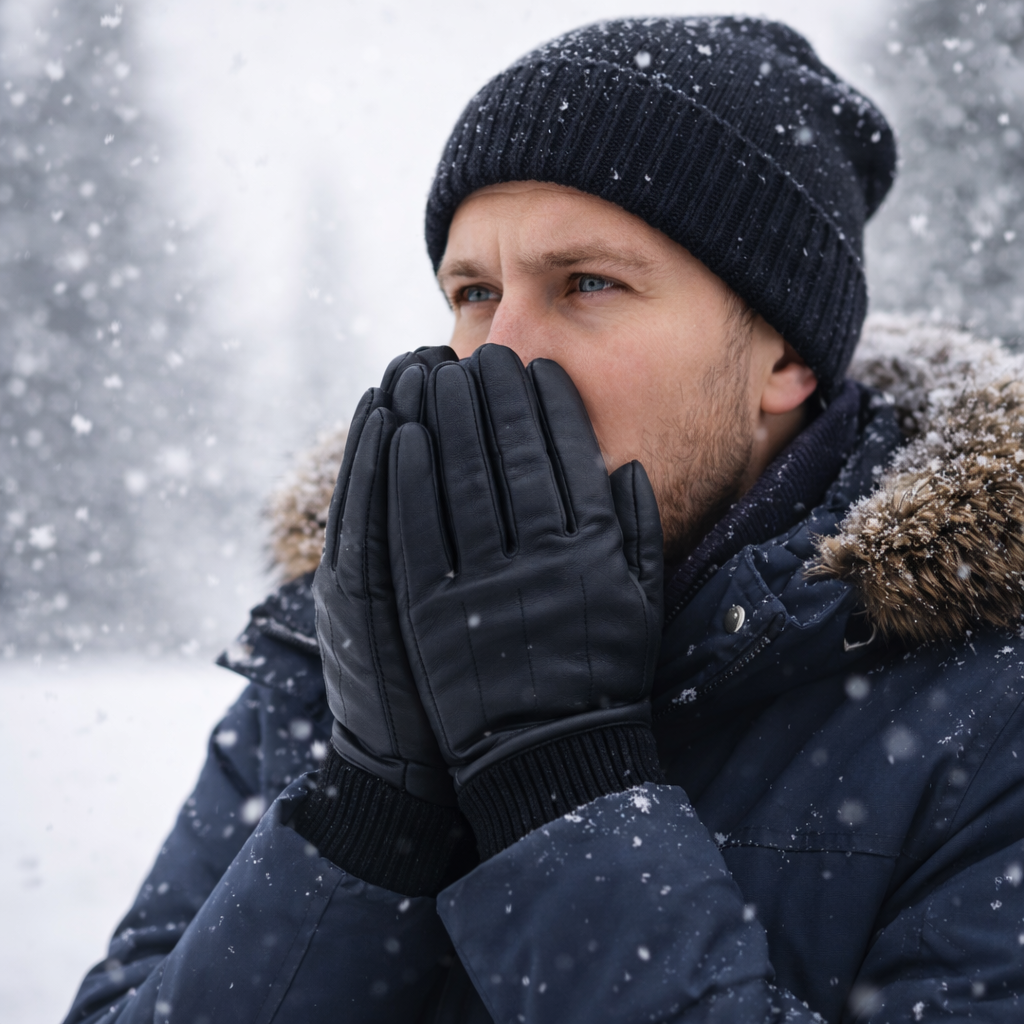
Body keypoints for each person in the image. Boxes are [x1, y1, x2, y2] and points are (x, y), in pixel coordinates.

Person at [65, 17, 1024, 1024]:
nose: (502, 350)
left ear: (784, 359)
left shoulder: (986, 717)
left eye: (587, 284)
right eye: (473, 291)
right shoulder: (337, 653)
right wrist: (368, 818)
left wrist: (558, 783)